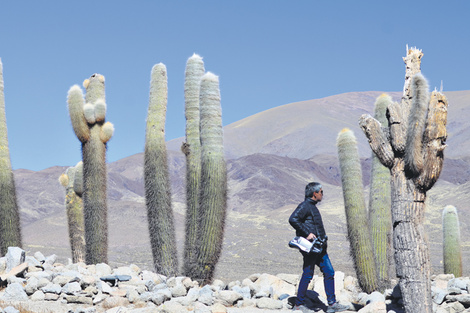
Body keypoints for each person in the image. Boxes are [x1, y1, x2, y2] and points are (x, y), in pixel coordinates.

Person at [289, 182, 349, 313]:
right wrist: (307, 233)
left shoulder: (312, 206)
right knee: (308, 274)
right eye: (321, 192)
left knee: (329, 272)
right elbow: (293, 219)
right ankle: (299, 304)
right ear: (314, 193)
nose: (322, 194)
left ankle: (332, 305)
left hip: (320, 247)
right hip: (311, 248)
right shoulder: (305, 206)